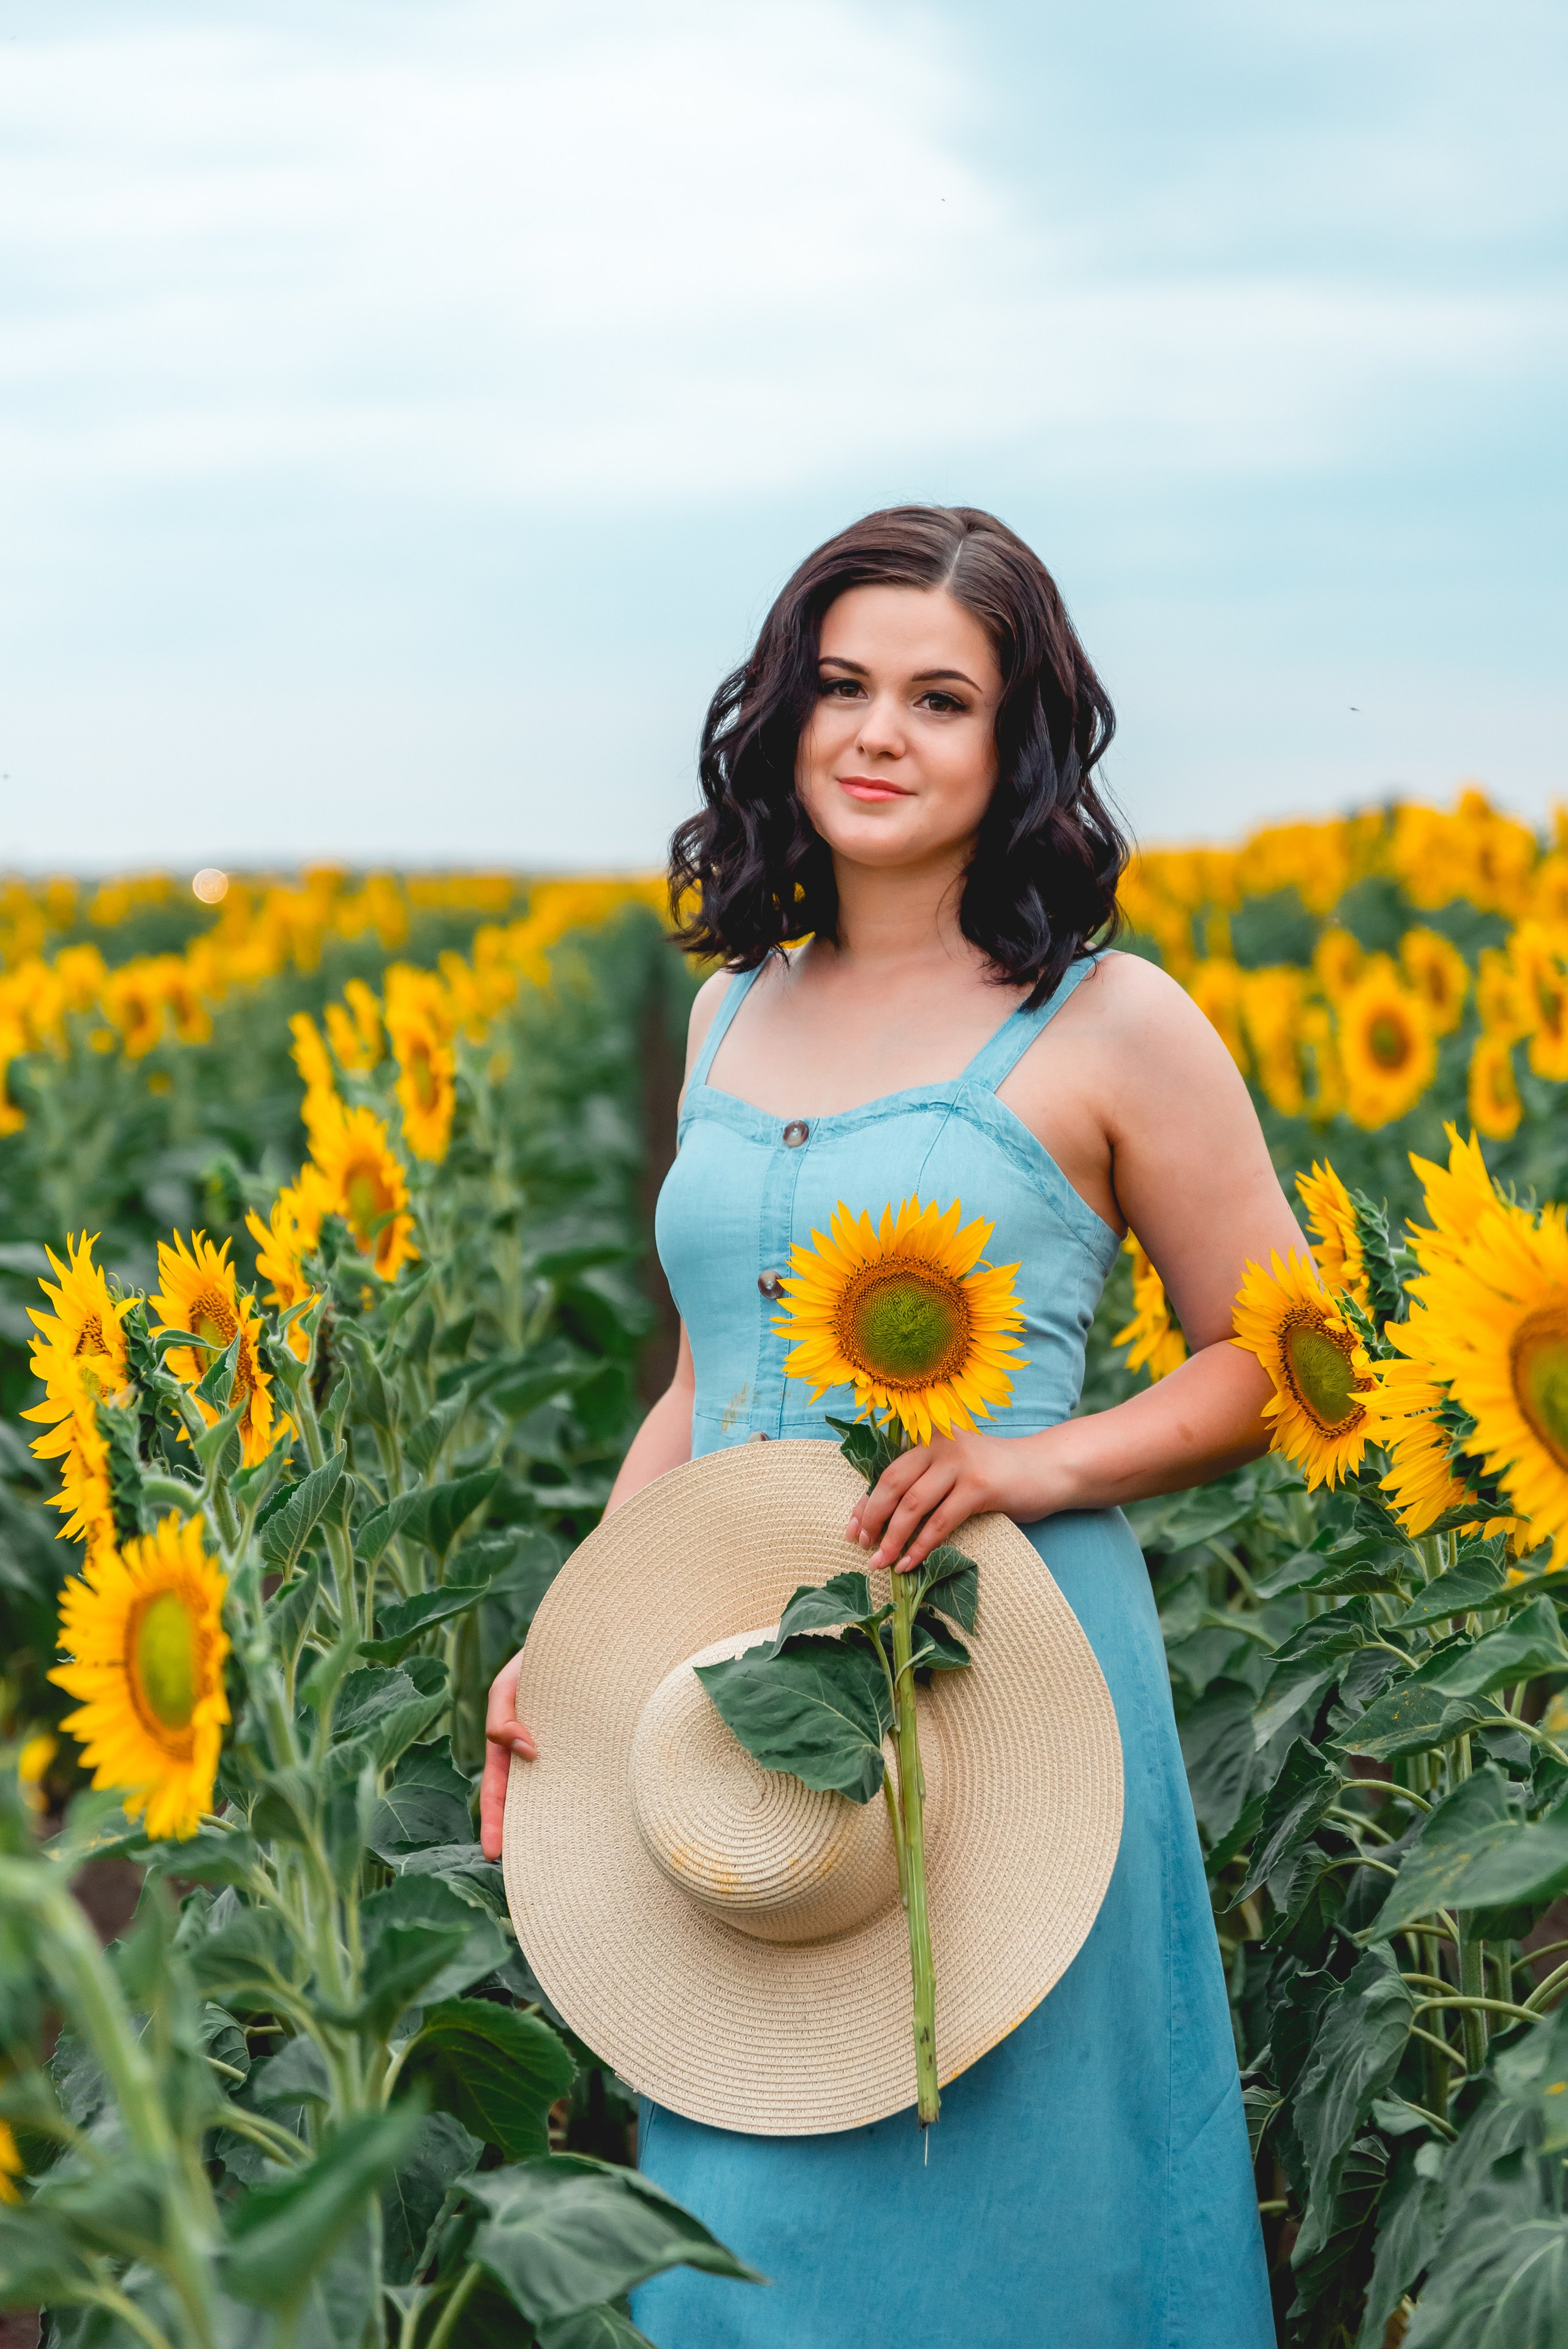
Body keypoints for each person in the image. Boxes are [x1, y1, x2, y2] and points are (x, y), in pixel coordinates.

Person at [482, 504, 1289, 2347]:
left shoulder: (1112, 1020)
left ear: (1018, 749)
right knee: (741, 2184)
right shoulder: (725, 1013)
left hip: (1004, 1679)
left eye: (940, 698)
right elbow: (699, 1385)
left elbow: (1269, 1354)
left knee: (1012, 2208)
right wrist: (573, 1645)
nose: (875, 731)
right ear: (779, 714)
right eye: (839, 684)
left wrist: (1027, 1459)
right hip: (728, 1666)